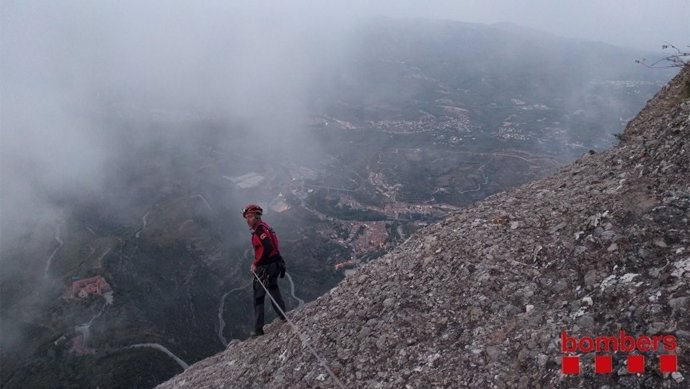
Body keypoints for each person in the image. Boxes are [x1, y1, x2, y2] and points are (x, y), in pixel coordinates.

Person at [242, 204, 287, 337]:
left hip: (266, 267)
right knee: (273, 289)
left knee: (259, 297)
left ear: (256, 216)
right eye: (246, 217)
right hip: (275, 264)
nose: (247, 220)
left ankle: (258, 329)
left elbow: (267, 247)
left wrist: (256, 264)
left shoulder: (259, 231)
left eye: (250, 217)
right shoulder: (265, 227)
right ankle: (283, 315)